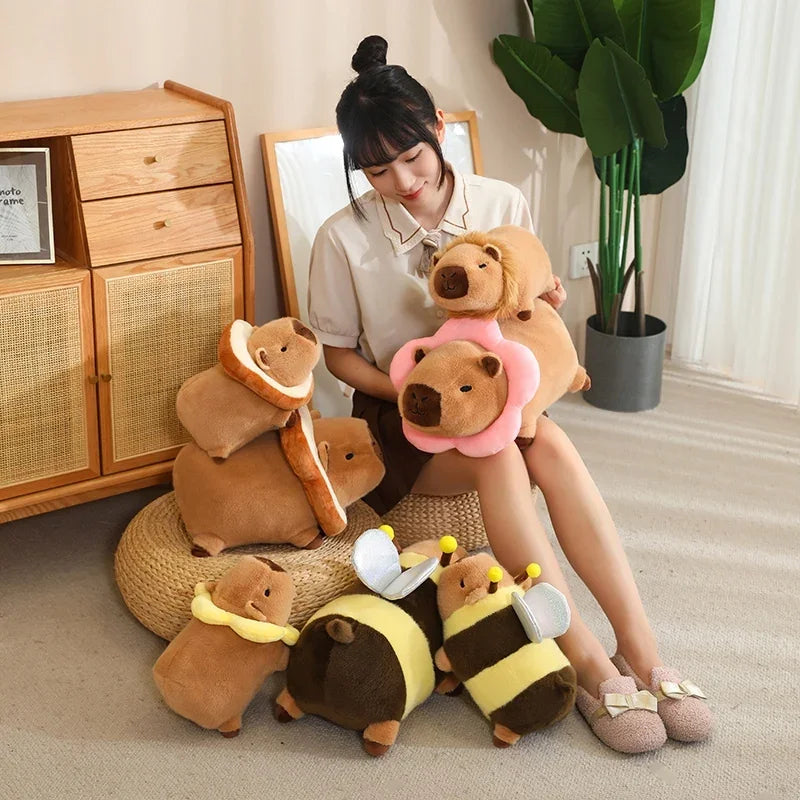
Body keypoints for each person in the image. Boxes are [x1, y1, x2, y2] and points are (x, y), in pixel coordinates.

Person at [307, 35, 712, 753]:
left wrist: (544, 305)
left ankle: (641, 648)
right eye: (377, 169)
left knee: (547, 443)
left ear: (437, 126)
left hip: (496, 400)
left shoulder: (501, 201)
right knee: (500, 459)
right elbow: (337, 354)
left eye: (412, 156)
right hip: (404, 422)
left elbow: (525, 309)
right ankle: (588, 665)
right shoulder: (343, 237)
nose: (402, 180)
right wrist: (410, 387)